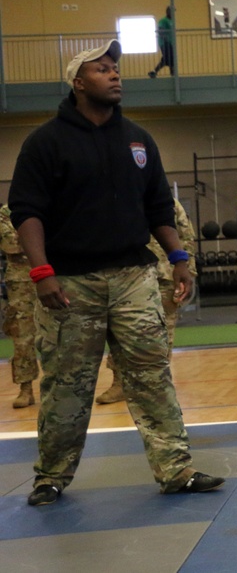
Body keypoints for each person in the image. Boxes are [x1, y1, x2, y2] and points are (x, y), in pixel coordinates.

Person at [8, 39, 224, 505]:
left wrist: (179, 258)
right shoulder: (46, 142)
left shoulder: (138, 139)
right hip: (70, 283)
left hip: (134, 277)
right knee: (67, 383)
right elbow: (26, 210)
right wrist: (42, 271)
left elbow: (158, 207)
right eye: (102, 69)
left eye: (115, 68)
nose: (114, 74)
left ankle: (175, 469)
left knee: (152, 375)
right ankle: (51, 475)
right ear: (78, 82)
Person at [97, 198, 199, 404]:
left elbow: (186, 237)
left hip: (165, 275)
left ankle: (158, 386)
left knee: (163, 332)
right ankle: (119, 383)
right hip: (130, 275)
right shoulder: (123, 197)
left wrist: (188, 270)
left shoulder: (168, 202)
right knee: (121, 331)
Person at [1, 203, 40, 408]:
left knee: (64, 334)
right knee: (22, 336)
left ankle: (66, 387)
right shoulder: (6, 212)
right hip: (22, 283)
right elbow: (11, 245)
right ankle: (26, 389)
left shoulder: (53, 204)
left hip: (59, 275)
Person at [148, 6, 175, 78]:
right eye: (171, 11)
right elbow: (160, 30)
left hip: (170, 42)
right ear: (167, 12)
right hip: (164, 42)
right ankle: (172, 73)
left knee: (170, 58)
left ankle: (155, 71)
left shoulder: (171, 21)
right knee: (168, 58)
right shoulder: (163, 20)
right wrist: (165, 39)